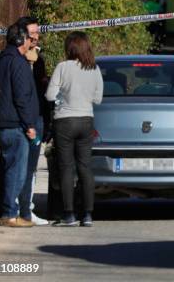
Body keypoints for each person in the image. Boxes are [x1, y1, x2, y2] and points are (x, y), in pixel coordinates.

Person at [46, 32, 103, 227]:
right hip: (86, 120)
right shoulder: (94, 69)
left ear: (70, 48)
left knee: (66, 167)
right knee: (85, 167)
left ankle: (69, 214)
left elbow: (49, 95)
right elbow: (98, 98)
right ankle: (87, 215)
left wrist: (64, 95)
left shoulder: (62, 67)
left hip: (64, 121)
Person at [0, 23, 39, 227]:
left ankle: (5, 209)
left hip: (1, 123)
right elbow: (21, 97)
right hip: (14, 124)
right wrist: (30, 125)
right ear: (20, 40)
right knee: (16, 171)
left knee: (9, 168)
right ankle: (9, 213)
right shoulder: (17, 63)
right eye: (28, 38)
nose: (30, 41)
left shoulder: (2, 60)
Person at [15, 17, 49, 226]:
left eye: (37, 33)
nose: (36, 37)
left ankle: (27, 208)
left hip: (37, 118)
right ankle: (14, 208)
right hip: (21, 119)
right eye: (32, 33)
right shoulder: (15, 60)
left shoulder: (39, 59)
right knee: (17, 165)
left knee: (31, 167)